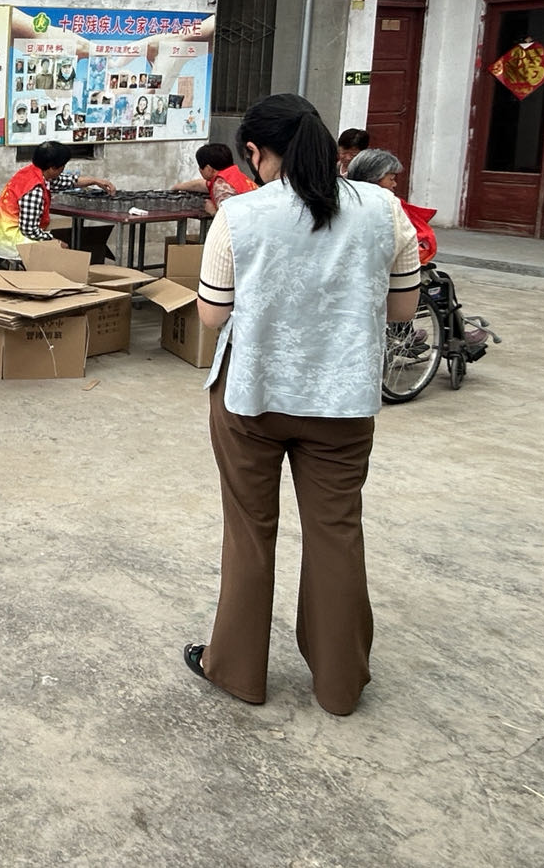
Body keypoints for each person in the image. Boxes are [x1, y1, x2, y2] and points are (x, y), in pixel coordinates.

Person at [184, 94, 420, 716]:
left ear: (255, 152)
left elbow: (212, 316)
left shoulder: (240, 214)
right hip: (342, 399)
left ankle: (237, 671)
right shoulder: (383, 208)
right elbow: (401, 308)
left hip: (252, 397)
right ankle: (339, 685)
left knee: (250, 533)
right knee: (336, 532)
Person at [0, 140, 115, 273]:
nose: (63, 169)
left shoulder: (32, 172)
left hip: (6, 237)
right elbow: (29, 230)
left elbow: (68, 181)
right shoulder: (34, 190)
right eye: (62, 166)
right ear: (53, 168)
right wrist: (54, 241)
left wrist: (95, 181)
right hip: (11, 242)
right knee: (61, 253)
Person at [346, 148, 436, 264]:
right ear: (373, 179)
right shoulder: (388, 205)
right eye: (391, 179)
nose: (395, 184)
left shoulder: (343, 199)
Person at [170, 142, 258, 217]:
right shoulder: (233, 175)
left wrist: (213, 211)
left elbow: (230, 220)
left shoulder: (221, 188)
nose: (199, 170)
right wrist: (178, 187)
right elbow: (201, 185)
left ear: (209, 169)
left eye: (200, 167)